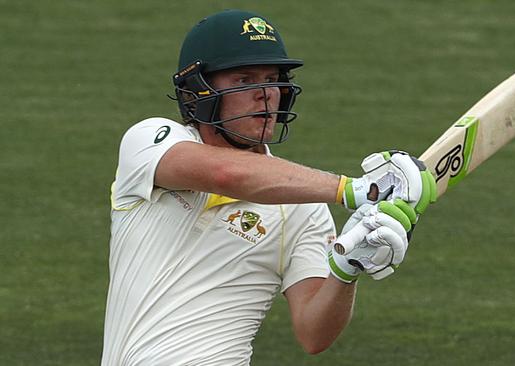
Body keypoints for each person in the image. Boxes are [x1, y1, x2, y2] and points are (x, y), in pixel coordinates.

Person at [101, 9, 436, 366]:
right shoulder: (151, 142)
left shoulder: (303, 207)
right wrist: (357, 190)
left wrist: (346, 269)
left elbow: (314, 333)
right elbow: (227, 176)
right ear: (199, 91)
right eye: (244, 80)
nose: (266, 94)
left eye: (272, 79)